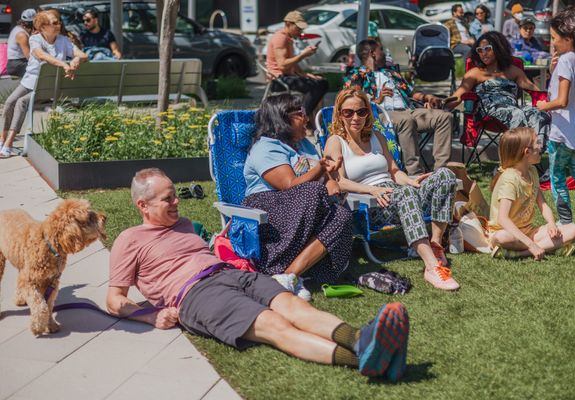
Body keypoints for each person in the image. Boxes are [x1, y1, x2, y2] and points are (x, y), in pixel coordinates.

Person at [107, 167, 410, 383]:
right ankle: (366, 360)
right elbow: (114, 300)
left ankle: (360, 339)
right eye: (168, 199)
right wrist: (151, 316)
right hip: (196, 294)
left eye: (175, 196)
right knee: (275, 325)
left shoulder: (184, 224)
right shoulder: (130, 240)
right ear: (143, 205)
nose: (177, 203)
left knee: (295, 307)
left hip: (231, 274)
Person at [324, 89, 460, 291]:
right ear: (339, 114)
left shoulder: (376, 137)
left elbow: (394, 171)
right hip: (372, 205)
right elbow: (339, 182)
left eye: (361, 112)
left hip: (399, 193)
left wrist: (411, 181)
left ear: (368, 113)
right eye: (348, 112)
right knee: (405, 193)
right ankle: (432, 267)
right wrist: (372, 190)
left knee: (444, 175)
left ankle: (435, 244)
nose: (355, 117)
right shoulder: (336, 142)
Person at [242, 93, 353, 300]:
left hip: (303, 208)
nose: (307, 118)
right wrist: (320, 169)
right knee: (313, 190)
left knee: (342, 216)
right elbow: (288, 185)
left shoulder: (304, 145)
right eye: (301, 113)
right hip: (267, 209)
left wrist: (331, 182)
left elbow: (323, 177)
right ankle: (278, 268)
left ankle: (288, 276)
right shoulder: (266, 147)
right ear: (282, 117)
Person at [344, 39, 453, 176]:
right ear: (372, 53)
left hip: (408, 110)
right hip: (380, 114)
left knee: (444, 117)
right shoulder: (357, 75)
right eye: (381, 49)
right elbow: (352, 101)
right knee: (405, 120)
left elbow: (411, 93)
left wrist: (428, 97)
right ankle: (415, 173)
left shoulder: (391, 73)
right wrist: (378, 100)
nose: (385, 53)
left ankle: (441, 172)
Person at [535, 7, 575, 224]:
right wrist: (553, 71)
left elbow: (561, 101)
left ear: (568, 38)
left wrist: (543, 106)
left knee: (557, 176)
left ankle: (565, 222)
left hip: (563, 131)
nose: (552, 43)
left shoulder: (566, 60)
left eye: (554, 38)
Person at [0, 10, 88, 159]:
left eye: (58, 22)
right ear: (42, 27)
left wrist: (76, 59)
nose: (58, 25)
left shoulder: (64, 40)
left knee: (21, 103)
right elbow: (41, 55)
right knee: (9, 102)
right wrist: (63, 64)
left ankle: (8, 144)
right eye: (54, 23)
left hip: (47, 85)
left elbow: (83, 55)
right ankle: (2, 140)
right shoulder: (35, 39)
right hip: (29, 81)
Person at [488, 128, 575, 260]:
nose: (541, 146)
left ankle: (520, 253)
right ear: (527, 152)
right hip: (508, 233)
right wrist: (530, 244)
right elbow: (503, 219)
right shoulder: (510, 179)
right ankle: (547, 247)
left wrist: (552, 224)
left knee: (574, 229)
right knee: (501, 237)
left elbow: (543, 205)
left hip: (529, 231)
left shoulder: (532, 171)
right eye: (537, 143)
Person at [445, 31, 551, 147]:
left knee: (540, 115)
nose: (483, 53)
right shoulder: (475, 73)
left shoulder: (513, 71)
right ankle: (517, 153)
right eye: (480, 50)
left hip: (513, 109)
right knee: (518, 114)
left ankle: (537, 150)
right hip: (488, 113)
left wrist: (548, 102)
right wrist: (442, 104)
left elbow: (535, 91)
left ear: (498, 48)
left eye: (487, 49)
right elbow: (458, 96)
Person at [265, 10, 328, 126]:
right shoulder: (280, 38)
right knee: (320, 86)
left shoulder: (287, 38)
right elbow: (283, 65)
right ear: (288, 24)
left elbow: (291, 63)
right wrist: (303, 55)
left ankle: (314, 121)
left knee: (320, 82)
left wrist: (305, 74)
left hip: (287, 77)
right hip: (279, 80)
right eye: (298, 28)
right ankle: (302, 119)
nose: (300, 31)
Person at [5, 9, 36, 77]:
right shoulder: (22, 35)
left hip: (19, 62)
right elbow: (29, 56)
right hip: (17, 64)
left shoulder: (19, 29)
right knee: (40, 69)